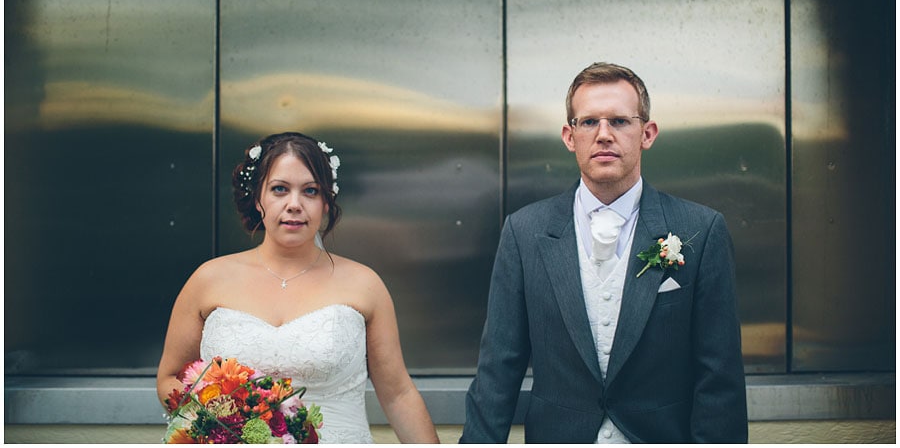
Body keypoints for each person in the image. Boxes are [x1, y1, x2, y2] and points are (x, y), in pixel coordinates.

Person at [461, 62, 747, 443]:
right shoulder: (524, 231)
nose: (604, 135)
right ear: (569, 135)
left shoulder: (702, 229)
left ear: (647, 133)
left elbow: (719, 376)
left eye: (620, 121)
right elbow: (499, 367)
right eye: (589, 122)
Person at [157, 131, 440, 444]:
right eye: (279, 189)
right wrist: (223, 421)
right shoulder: (208, 279)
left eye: (310, 191)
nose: (294, 204)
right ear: (257, 198)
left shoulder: (364, 284)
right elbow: (170, 377)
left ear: (326, 202)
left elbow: (398, 394)